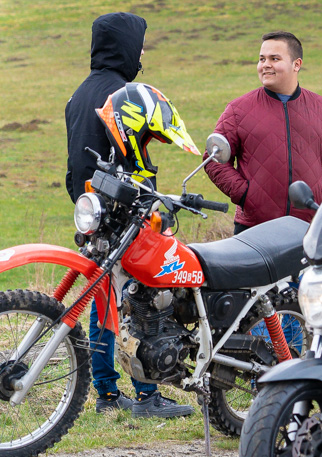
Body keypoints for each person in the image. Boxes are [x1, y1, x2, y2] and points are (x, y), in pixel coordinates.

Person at [65, 12, 194, 418]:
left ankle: (106, 394)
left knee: (103, 303)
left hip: (89, 213)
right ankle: (147, 396)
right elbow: (128, 161)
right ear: (124, 45)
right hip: (123, 218)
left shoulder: (79, 93)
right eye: (138, 43)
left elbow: (76, 162)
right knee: (141, 304)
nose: (141, 52)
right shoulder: (126, 95)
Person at [205, 31, 322, 234]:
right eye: (262, 59)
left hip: (312, 227)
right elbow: (214, 159)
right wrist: (245, 195)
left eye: (274, 58)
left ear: (297, 64)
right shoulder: (238, 110)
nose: (265, 65)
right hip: (253, 228)